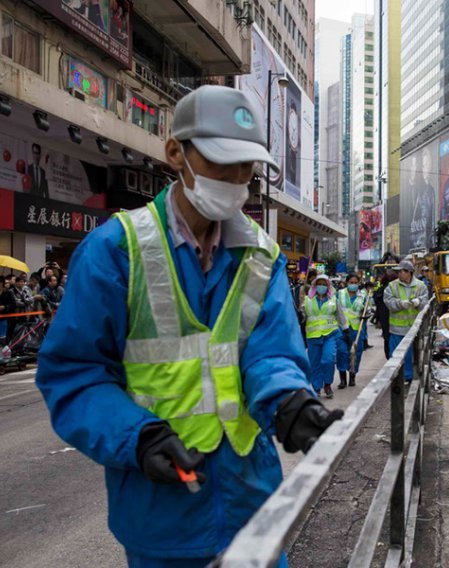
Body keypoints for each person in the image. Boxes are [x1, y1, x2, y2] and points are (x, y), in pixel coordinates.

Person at [36, 85, 342, 568]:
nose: (239, 179)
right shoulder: (115, 251)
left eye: (247, 166)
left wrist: (290, 402)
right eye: (224, 162)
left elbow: (271, 355)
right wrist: (137, 437)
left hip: (253, 504)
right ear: (175, 152)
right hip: (163, 517)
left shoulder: (262, 256)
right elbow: (76, 375)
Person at [383, 260, 429, 383]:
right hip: (397, 329)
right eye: (398, 272)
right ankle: (396, 377)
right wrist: (400, 304)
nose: (399, 274)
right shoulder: (392, 286)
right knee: (395, 355)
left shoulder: (420, 286)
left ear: (409, 272)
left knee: (410, 355)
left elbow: (425, 302)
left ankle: (407, 378)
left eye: (401, 271)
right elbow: (388, 301)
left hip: (414, 328)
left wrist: (418, 302)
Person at [304, 273, 345, 398]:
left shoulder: (333, 300)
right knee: (314, 363)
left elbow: (340, 315)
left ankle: (327, 384)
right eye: (319, 284)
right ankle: (317, 387)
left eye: (324, 284)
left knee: (328, 360)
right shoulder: (307, 300)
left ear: (328, 286)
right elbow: (301, 316)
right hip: (313, 336)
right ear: (314, 286)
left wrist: (346, 330)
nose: (321, 287)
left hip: (330, 335)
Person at [336, 274, 367, 389]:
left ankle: (352, 375)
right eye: (351, 282)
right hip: (341, 329)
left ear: (358, 283)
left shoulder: (363, 296)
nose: (353, 285)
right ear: (346, 282)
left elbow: (366, 309)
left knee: (355, 353)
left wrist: (367, 314)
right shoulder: (339, 294)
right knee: (341, 352)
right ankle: (342, 379)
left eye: (355, 283)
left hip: (356, 329)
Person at [374, 268, 397, 359]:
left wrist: (378, 319)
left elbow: (378, 307)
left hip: (384, 319)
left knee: (387, 339)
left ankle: (389, 357)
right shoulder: (395, 290)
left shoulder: (379, 291)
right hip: (395, 319)